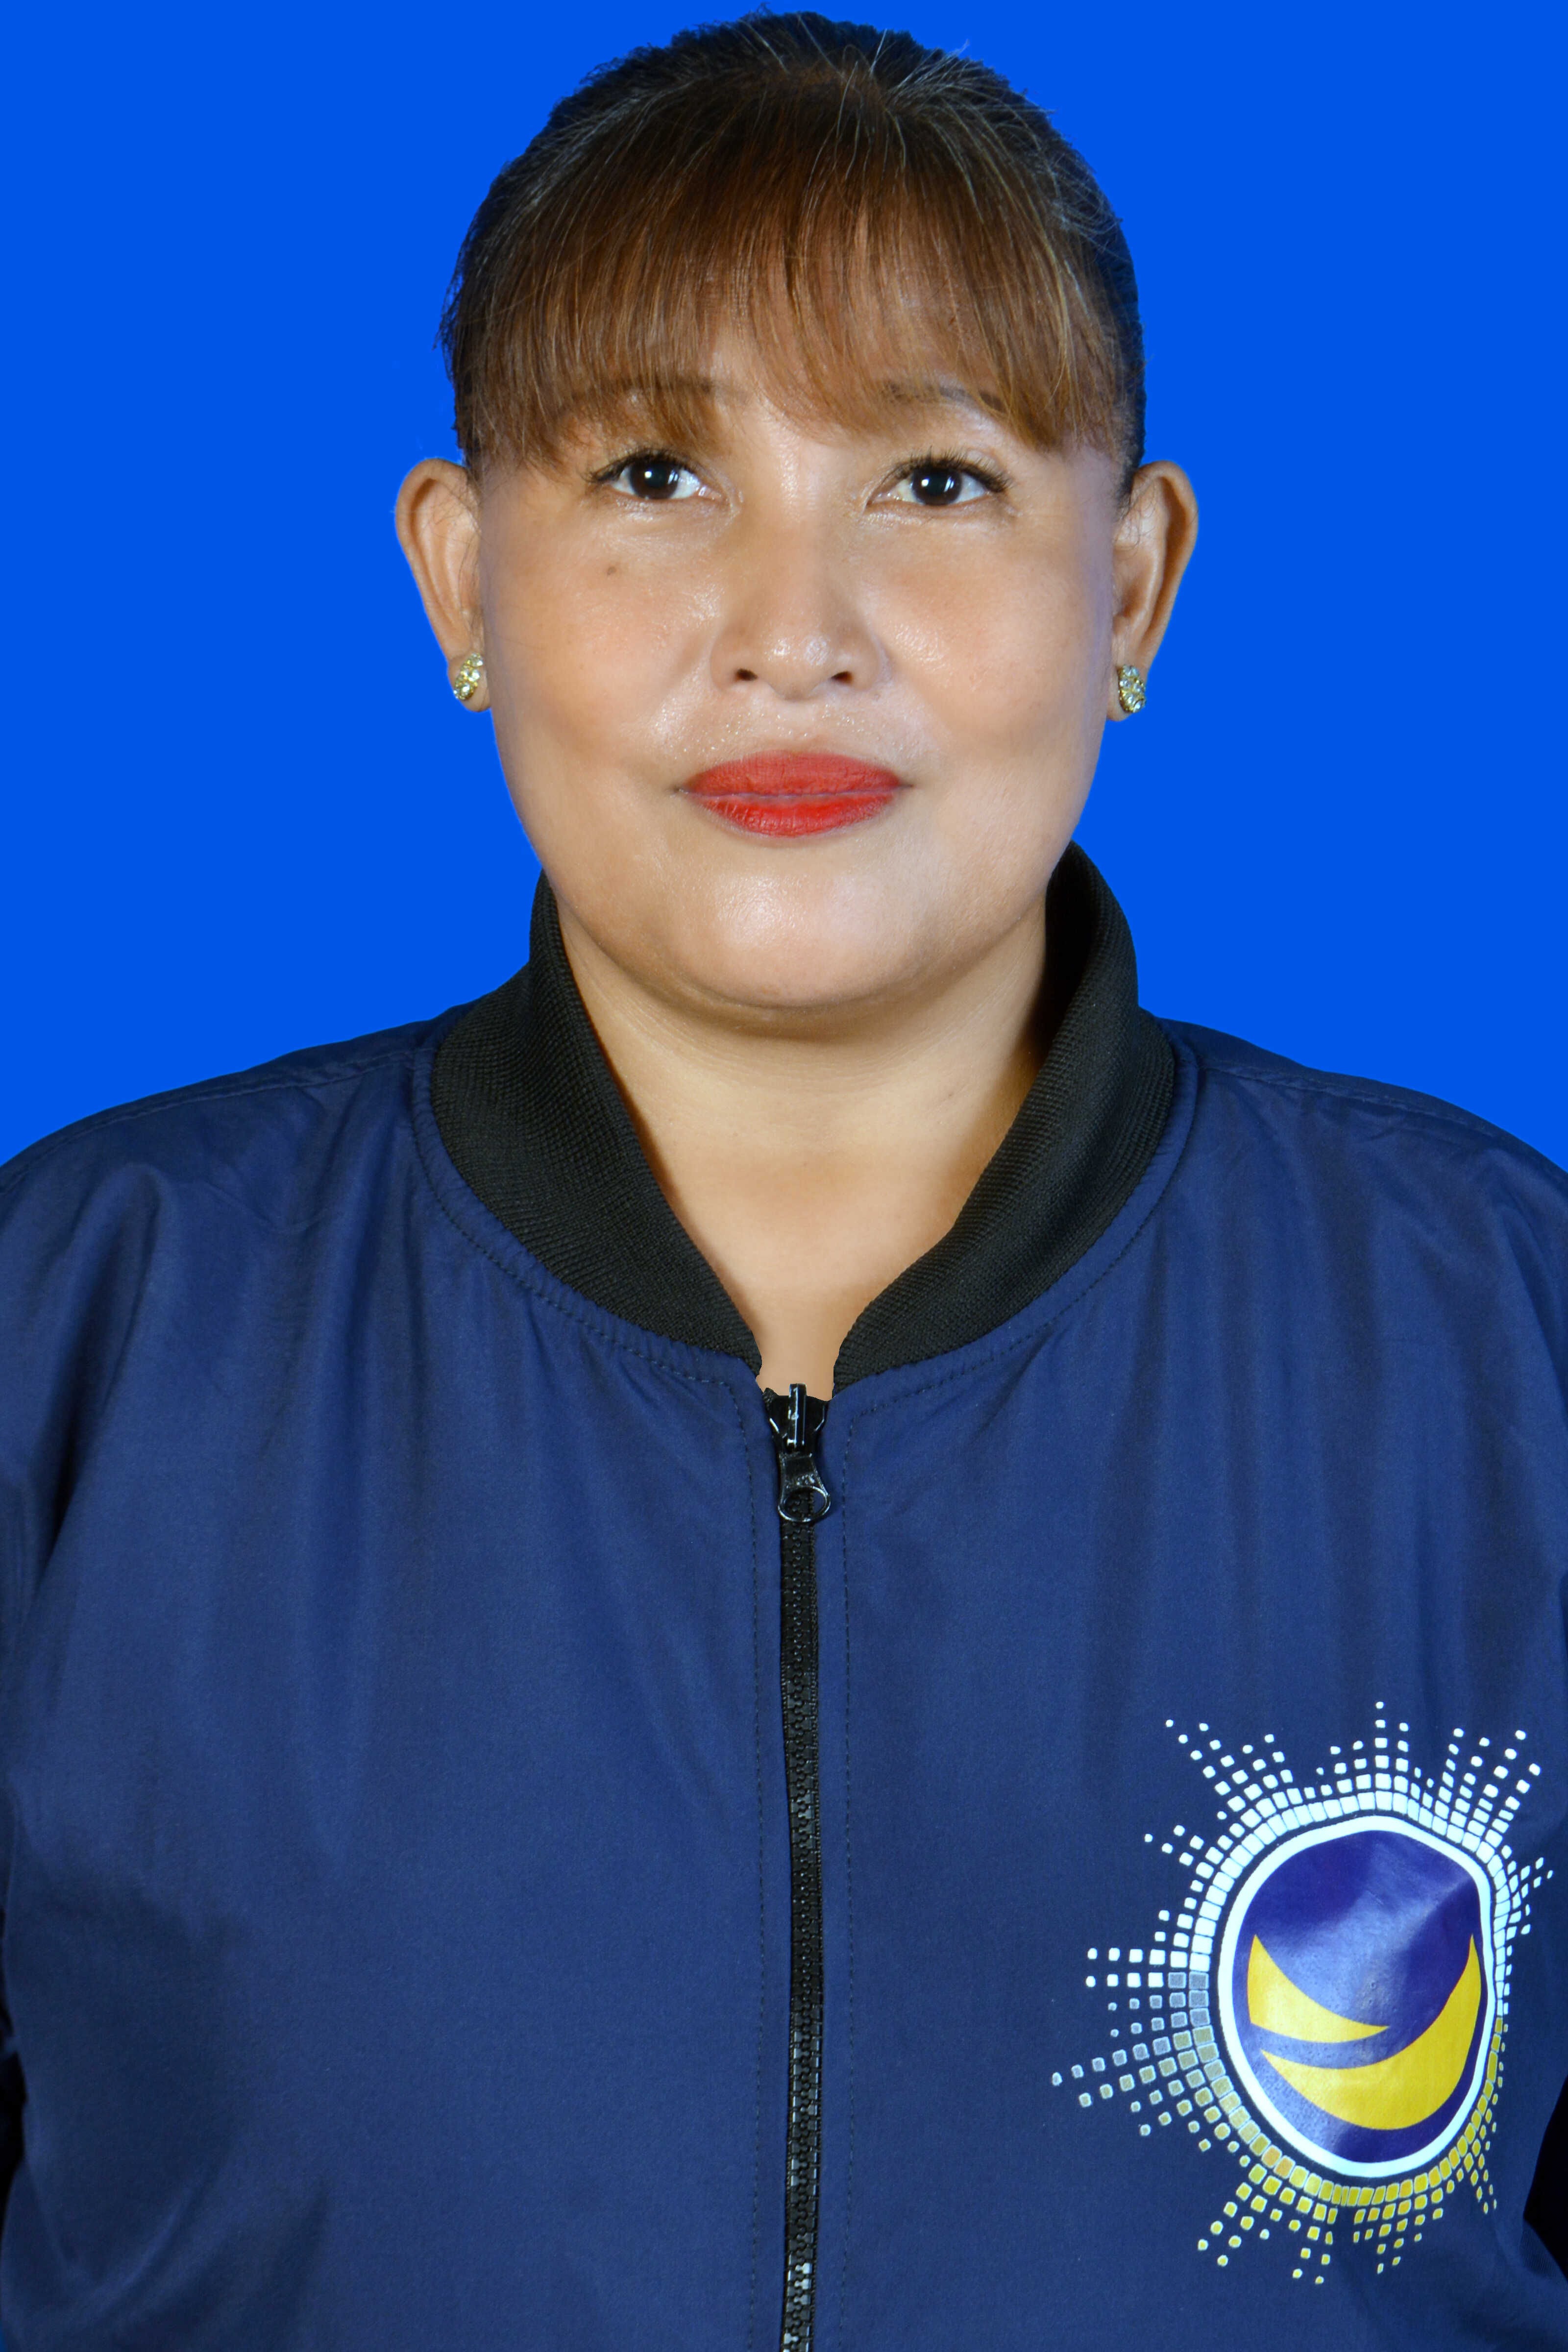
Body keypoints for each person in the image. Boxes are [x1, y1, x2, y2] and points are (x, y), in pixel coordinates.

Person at [0, 11, 1563, 2347]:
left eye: (933, 479)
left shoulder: (1496, 1340)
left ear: (1130, 585)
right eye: (654, 473)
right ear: (460, 580)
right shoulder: (87, 1331)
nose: (791, 637)